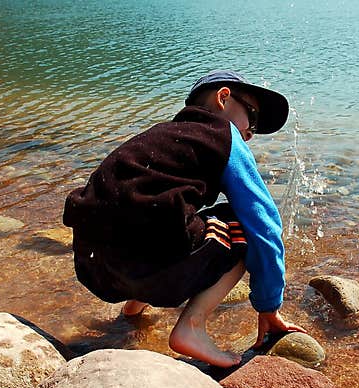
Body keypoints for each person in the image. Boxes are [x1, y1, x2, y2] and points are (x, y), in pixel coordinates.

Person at [62, 69, 306, 368]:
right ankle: (191, 328)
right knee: (239, 223)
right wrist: (268, 305)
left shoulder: (158, 136)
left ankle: (134, 306)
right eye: (252, 117)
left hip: (94, 269)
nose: (251, 132)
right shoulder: (224, 134)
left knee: (165, 210)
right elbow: (265, 224)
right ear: (223, 97)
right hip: (148, 264)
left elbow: (121, 200)